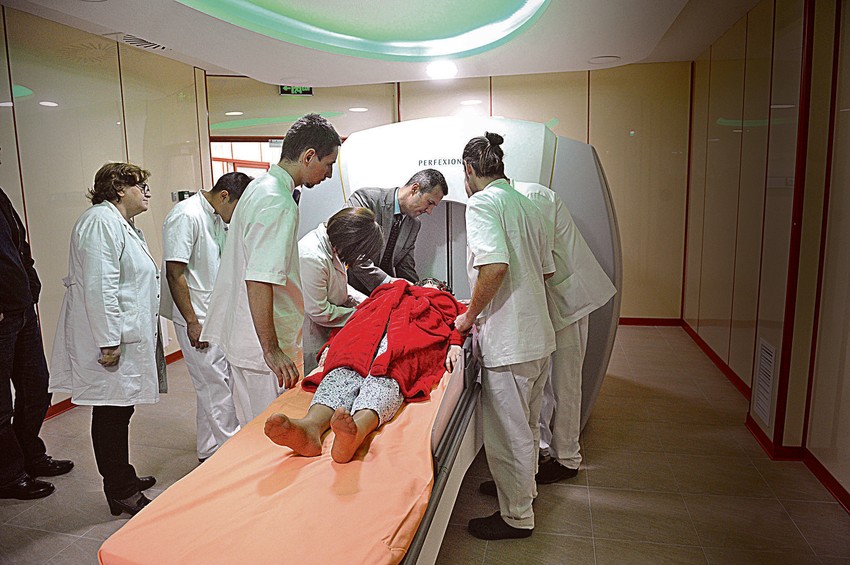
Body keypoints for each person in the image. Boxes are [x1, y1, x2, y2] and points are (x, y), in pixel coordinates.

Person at [202, 114, 341, 424]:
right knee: (269, 433)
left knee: (252, 426)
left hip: (247, 339)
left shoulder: (259, 187)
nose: (329, 174)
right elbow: (258, 279)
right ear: (308, 156)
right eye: (328, 164)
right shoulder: (278, 201)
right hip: (264, 350)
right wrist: (272, 349)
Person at [454, 132, 555, 540]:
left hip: (510, 340)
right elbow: (545, 270)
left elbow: (493, 267)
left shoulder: (482, 203)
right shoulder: (526, 204)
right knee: (528, 426)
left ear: (469, 169)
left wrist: (469, 316)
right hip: (538, 333)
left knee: (509, 434)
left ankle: (516, 516)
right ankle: (524, 491)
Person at [50, 163, 161, 516]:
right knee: (111, 413)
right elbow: (100, 286)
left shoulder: (121, 224)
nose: (147, 191)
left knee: (120, 409)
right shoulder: (100, 221)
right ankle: (120, 491)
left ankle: (123, 476)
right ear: (118, 188)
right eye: (140, 185)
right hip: (110, 340)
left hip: (123, 336)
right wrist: (109, 341)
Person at [264, 278, 465, 463]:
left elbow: (461, 324)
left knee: (389, 374)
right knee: (342, 372)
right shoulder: (388, 290)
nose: (430, 285)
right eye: (428, 281)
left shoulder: (447, 302)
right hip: (363, 336)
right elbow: (355, 317)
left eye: (435, 284)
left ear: (443, 290)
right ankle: (310, 427)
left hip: (409, 338)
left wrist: (455, 343)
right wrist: (332, 344)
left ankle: (357, 429)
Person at [512, 180, 616, 483]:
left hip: (569, 300)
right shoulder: (516, 199)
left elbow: (539, 256)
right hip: (552, 302)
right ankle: (543, 450)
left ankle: (568, 458)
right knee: (545, 384)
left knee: (566, 383)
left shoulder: (533, 196)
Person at [160, 172, 252, 462]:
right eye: (237, 208)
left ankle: (208, 450)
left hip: (213, 313)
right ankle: (231, 455)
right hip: (197, 316)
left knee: (212, 384)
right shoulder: (186, 216)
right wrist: (192, 322)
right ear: (224, 196)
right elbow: (174, 273)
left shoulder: (215, 217)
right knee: (215, 386)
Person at [0, 187, 74, 501]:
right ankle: (8, 475)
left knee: (38, 388)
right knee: (1, 406)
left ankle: (29, 454)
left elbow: (19, 246)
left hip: (21, 308)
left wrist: (31, 285)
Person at [298, 207, 383, 375]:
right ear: (351, 242)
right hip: (313, 328)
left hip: (330, 324)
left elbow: (339, 286)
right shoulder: (311, 257)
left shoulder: (335, 245)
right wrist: (362, 315)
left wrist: (368, 303)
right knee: (315, 376)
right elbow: (319, 311)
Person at [346, 169, 448, 295]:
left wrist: (420, 291)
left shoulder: (414, 224)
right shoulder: (365, 200)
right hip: (348, 293)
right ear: (415, 189)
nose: (429, 211)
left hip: (384, 296)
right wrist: (390, 282)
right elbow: (355, 256)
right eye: (429, 203)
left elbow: (406, 268)